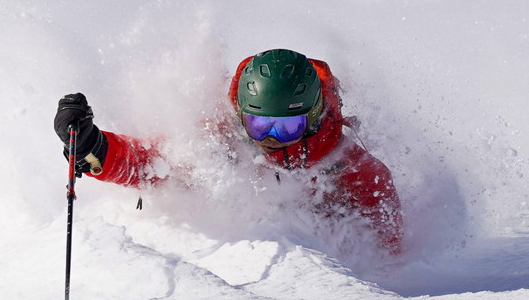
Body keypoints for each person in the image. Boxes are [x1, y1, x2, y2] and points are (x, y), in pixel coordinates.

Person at [53, 48, 403, 253]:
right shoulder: (221, 134)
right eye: (260, 125)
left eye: (288, 127)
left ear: (312, 117)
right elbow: (151, 164)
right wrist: (91, 146)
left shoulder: (350, 166)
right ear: (241, 114)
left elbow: (389, 248)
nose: (272, 138)